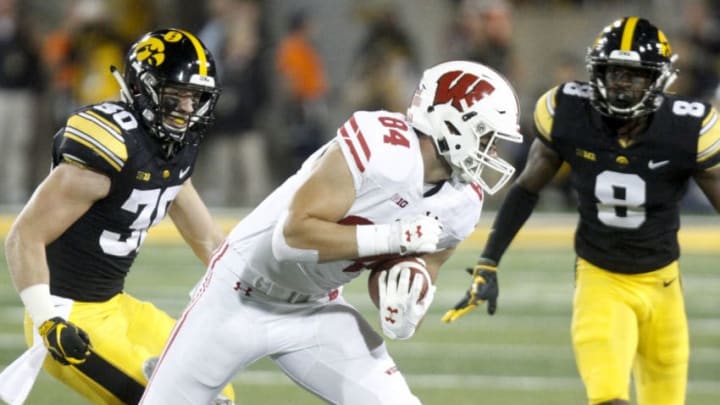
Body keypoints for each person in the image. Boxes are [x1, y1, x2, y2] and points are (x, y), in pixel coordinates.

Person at [139, 60, 524, 404]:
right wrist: (396, 236)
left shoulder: (462, 201)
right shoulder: (383, 148)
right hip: (238, 295)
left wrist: (408, 296)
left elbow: (420, 265)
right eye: (486, 137)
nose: (492, 152)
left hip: (315, 308)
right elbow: (292, 236)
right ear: (450, 123)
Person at [442, 16, 720, 405]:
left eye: (634, 74)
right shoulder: (568, 112)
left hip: (664, 286)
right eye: (612, 72)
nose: (621, 83)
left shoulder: (688, 128)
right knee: (609, 398)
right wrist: (489, 260)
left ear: (657, 80)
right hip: (601, 281)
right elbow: (526, 189)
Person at [2, 28, 235, 404]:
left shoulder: (171, 148)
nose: (188, 109)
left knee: (215, 387)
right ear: (143, 89)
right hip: (70, 316)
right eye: (176, 96)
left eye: (196, 98)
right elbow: (24, 236)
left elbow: (209, 241)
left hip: (115, 305)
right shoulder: (110, 148)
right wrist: (48, 320)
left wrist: (263, 289)